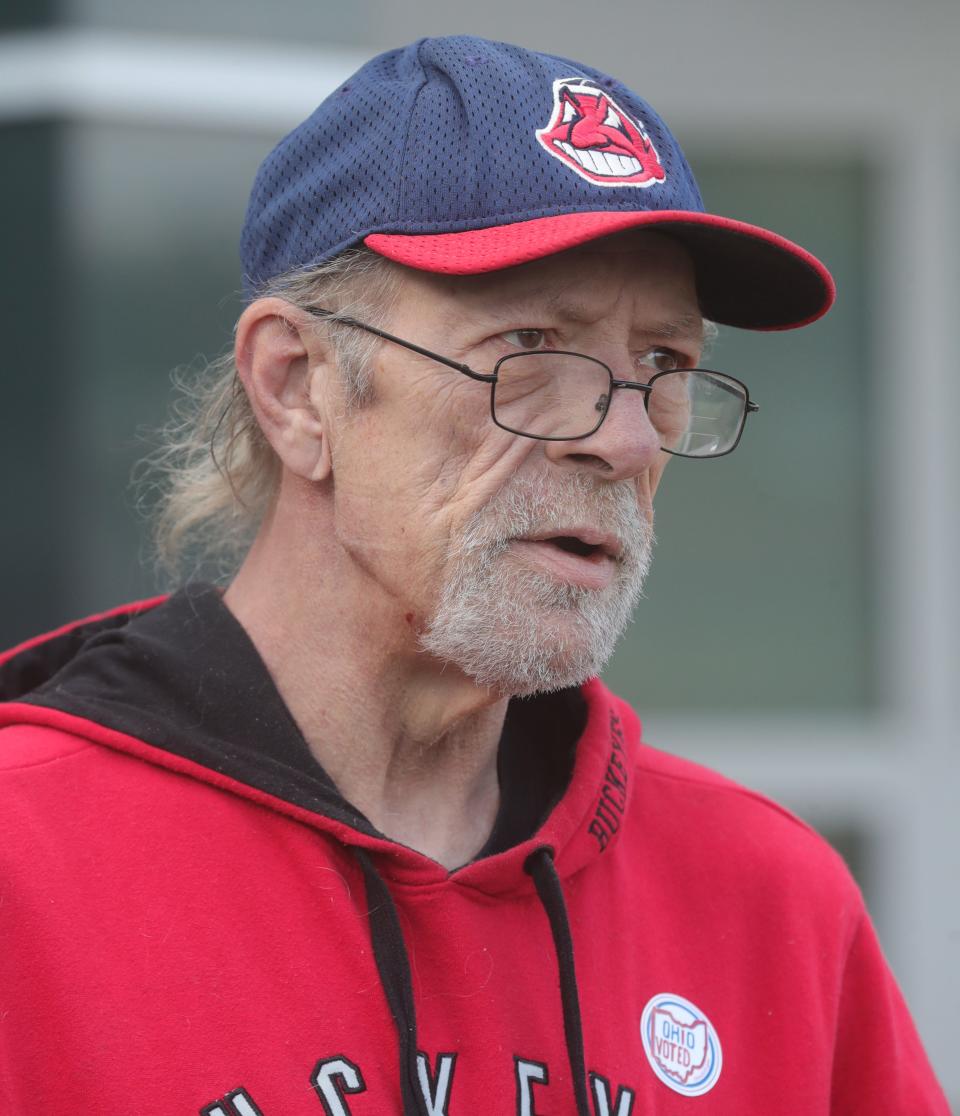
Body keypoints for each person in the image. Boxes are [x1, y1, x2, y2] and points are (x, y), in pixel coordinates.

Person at [0, 35, 948, 1116]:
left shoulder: (765, 901)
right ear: (298, 387)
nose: (628, 443)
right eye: (532, 348)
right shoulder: (26, 871)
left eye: (665, 366)